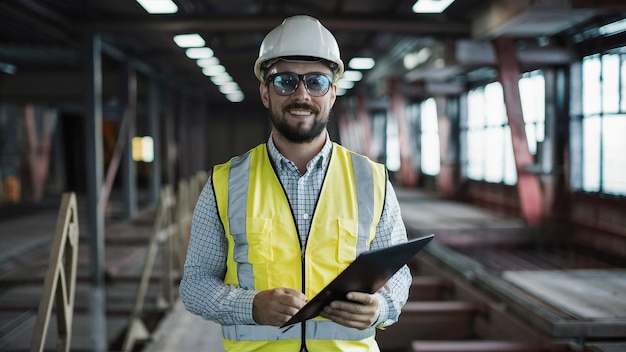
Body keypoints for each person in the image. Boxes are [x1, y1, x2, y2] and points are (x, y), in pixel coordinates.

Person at [179, 14, 412, 352]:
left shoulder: (371, 180)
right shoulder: (225, 183)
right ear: (265, 91)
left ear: (332, 93)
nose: (301, 95)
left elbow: (398, 275)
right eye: (285, 81)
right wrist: (251, 306)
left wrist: (382, 308)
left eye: (316, 82)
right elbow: (195, 284)